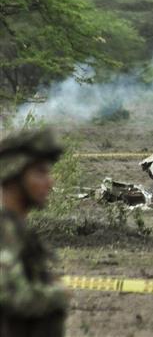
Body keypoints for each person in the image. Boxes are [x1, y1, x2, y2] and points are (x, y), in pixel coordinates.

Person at [0, 128, 69, 337]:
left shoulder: (20, 231)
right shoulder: (5, 233)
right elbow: (11, 296)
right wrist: (58, 295)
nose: (50, 182)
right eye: (40, 172)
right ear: (13, 174)